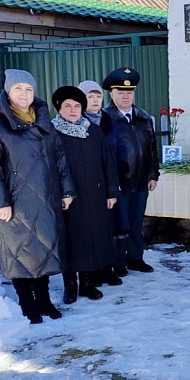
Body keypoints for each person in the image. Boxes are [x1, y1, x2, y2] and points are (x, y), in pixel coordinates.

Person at [0, 69, 76, 324]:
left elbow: (60, 157)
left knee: (43, 249)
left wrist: (67, 190)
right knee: (20, 252)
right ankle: (27, 303)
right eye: (18, 89)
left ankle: (44, 301)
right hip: (16, 200)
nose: (24, 94)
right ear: (8, 92)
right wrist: (0, 202)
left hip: (47, 197)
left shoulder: (43, 120)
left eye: (29, 89)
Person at [50, 86, 120, 304]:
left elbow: (107, 162)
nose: (73, 110)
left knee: (93, 237)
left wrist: (111, 191)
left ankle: (87, 283)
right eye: (67, 106)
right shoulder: (52, 133)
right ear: (59, 109)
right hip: (67, 198)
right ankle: (70, 284)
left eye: (77, 106)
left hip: (95, 194)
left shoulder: (93, 131)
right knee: (70, 240)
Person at [102, 67, 160, 275]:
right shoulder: (105, 119)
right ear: (112, 94)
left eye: (129, 92)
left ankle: (136, 257)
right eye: (120, 92)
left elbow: (152, 149)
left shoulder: (144, 118)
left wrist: (153, 174)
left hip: (141, 180)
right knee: (119, 224)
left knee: (136, 222)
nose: (125, 96)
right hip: (119, 182)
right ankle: (118, 262)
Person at [78, 79, 123, 287]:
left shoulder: (108, 120)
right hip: (86, 184)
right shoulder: (76, 122)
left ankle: (107, 268)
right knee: (90, 230)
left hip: (109, 179)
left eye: (98, 96)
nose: (95, 100)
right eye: (90, 96)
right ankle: (92, 272)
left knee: (108, 228)